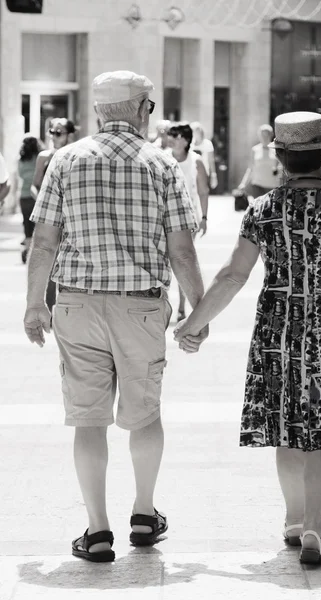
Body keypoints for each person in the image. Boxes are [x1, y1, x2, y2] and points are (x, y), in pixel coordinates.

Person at [174, 111, 321, 566]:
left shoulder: (264, 209)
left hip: (280, 337)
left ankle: (292, 520)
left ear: (281, 159)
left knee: (287, 428)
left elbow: (233, 275)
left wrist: (193, 325)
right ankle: (314, 528)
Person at [23, 70, 207, 563]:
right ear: (143, 108)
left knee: (88, 419)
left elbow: (43, 242)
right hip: (141, 304)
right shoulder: (163, 164)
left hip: (77, 302)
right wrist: (197, 310)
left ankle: (98, 530)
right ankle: (144, 515)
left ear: (100, 112)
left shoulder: (66, 159)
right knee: (144, 414)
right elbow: (183, 251)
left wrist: (34, 303)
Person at [31, 118, 76, 314]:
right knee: (48, 258)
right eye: (52, 131)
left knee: (69, 263)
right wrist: (42, 201)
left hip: (70, 217)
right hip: (49, 216)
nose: (54, 136)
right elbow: (35, 184)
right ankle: (50, 308)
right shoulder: (43, 156)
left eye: (59, 132)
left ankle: (68, 308)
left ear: (69, 135)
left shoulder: (75, 156)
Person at [168, 122, 209, 322]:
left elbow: (203, 190)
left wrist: (204, 217)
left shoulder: (196, 161)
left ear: (186, 139)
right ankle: (163, 306)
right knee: (163, 263)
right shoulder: (163, 158)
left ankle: (183, 306)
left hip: (187, 219)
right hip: (163, 219)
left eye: (176, 135)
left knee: (182, 261)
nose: (172, 139)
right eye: (171, 135)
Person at [237, 124, 281, 198]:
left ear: (271, 135)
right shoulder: (255, 150)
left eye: (266, 135)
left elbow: (280, 168)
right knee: (258, 208)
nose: (264, 138)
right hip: (257, 185)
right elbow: (250, 168)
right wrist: (243, 183)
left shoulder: (276, 150)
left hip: (272, 186)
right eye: (262, 135)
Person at [17, 136, 41, 263]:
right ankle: (36, 251)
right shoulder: (40, 157)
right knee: (38, 224)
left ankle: (27, 250)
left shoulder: (21, 159)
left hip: (24, 196)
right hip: (37, 195)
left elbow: (20, 175)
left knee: (27, 223)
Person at [190, 121, 218, 190]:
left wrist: (213, 175)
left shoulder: (207, 144)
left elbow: (211, 160)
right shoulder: (190, 144)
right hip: (191, 173)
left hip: (203, 172)